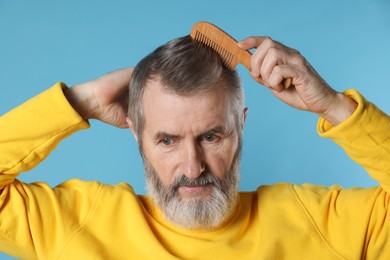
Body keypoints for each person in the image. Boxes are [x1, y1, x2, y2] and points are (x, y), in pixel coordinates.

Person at [0, 32, 389, 259]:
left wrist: (336, 107)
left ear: (241, 128)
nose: (192, 167)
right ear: (136, 135)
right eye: (167, 140)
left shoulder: (319, 223)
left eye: (210, 137)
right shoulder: (81, 223)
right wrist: (79, 101)